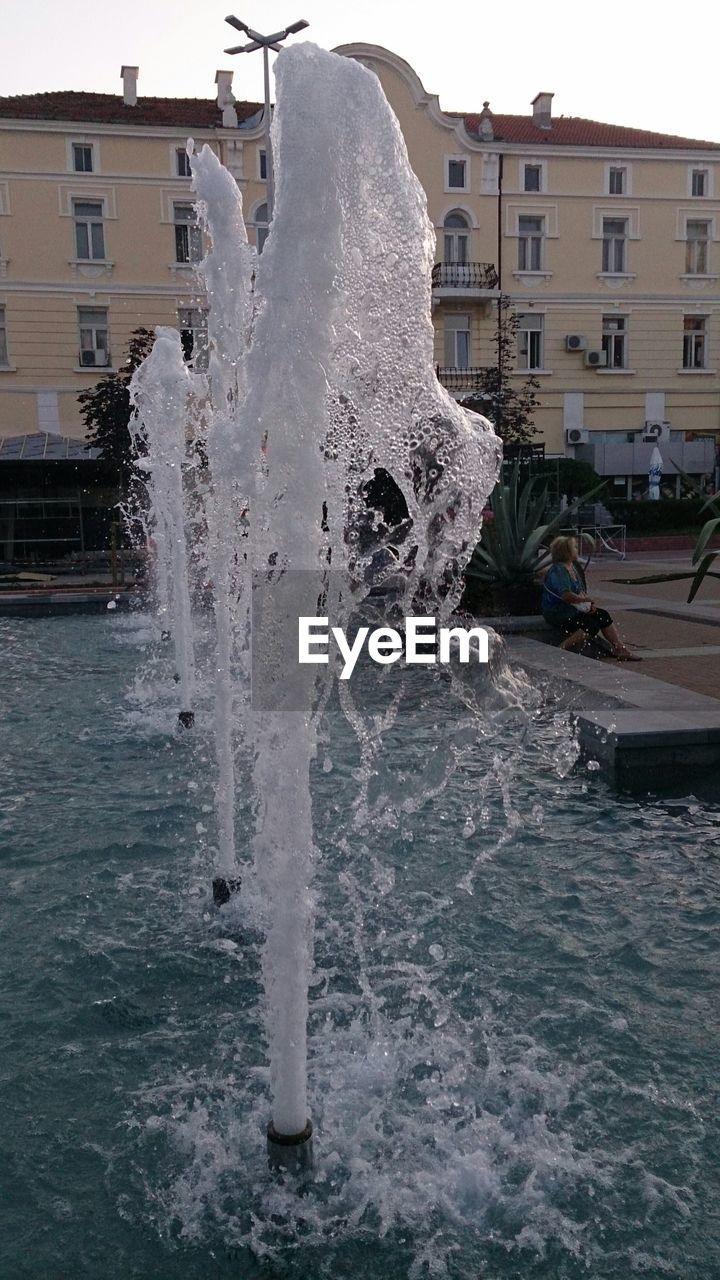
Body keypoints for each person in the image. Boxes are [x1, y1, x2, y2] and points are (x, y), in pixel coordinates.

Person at [541, 535, 640, 660]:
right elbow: (566, 595)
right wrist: (584, 601)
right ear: (566, 551)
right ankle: (561, 648)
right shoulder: (559, 570)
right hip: (559, 613)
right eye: (574, 547)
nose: (577, 550)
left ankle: (620, 648)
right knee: (591, 625)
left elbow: (579, 592)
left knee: (602, 615)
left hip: (570, 609)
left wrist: (588, 605)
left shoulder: (571, 567)